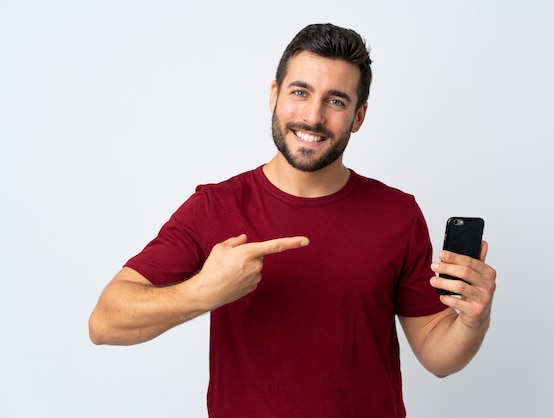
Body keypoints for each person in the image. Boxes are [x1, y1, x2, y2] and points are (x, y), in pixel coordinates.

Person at [89, 23, 497, 417]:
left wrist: (473, 321)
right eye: (300, 92)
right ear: (274, 95)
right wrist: (202, 293)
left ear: (359, 116)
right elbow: (105, 321)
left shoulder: (398, 214)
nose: (313, 116)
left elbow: (437, 354)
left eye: (336, 101)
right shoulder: (216, 206)